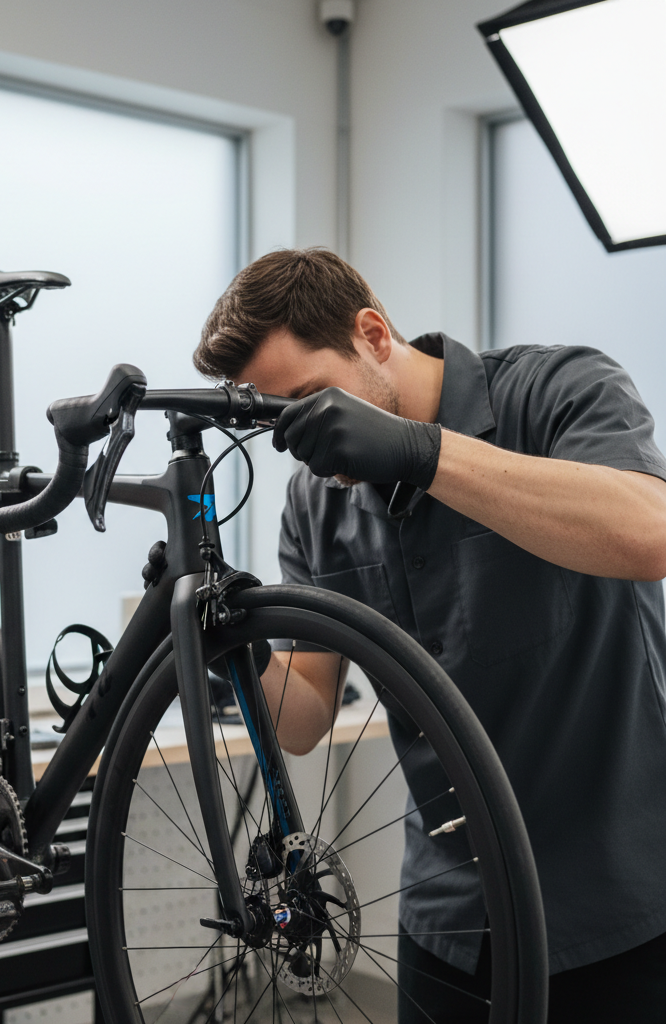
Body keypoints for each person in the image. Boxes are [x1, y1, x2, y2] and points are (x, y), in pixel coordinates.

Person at [193, 247, 666, 1023]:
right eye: (281, 420)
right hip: (448, 917)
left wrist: (425, 451)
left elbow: (650, 533)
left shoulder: (558, 391)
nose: (304, 440)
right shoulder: (316, 504)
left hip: (615, 905)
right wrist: (236, 652)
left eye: (311, 401)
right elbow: (307, 717)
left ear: (373, 334)